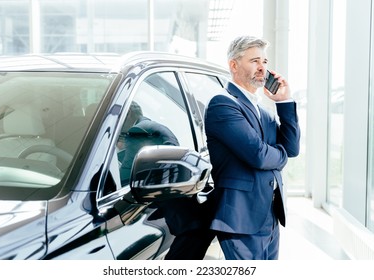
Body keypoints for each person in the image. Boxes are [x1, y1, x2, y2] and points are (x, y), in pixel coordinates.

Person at [204, 35, 301, 260]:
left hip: (269, 216)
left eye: (265, 62)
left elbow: (292, 148)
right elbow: (258, 155)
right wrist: (280, 156)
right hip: (241, 220)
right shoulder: (223, 103)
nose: (262, 68)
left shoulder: (263, 112)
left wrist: (283, 102)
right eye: (255, 61)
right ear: (234, 65)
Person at [118, 101, 215, 260]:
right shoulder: (149, 127)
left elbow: (125, 177)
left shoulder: (139, 133)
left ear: (127, 114)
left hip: (180, 217)